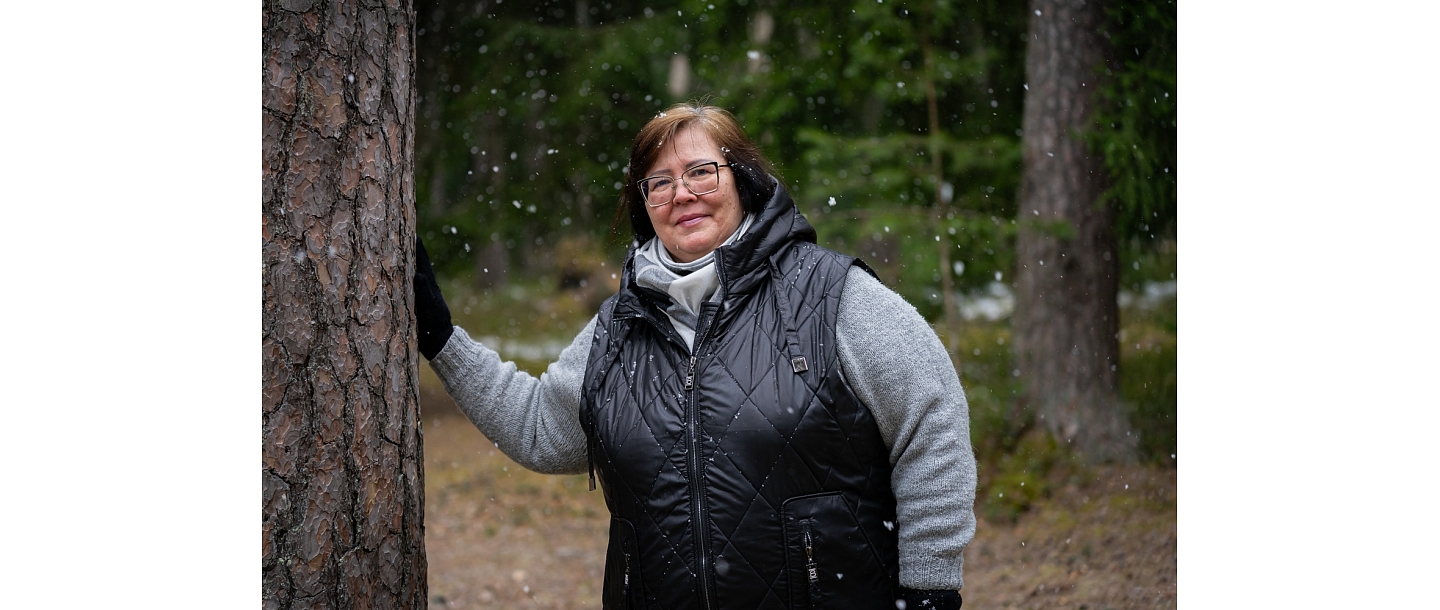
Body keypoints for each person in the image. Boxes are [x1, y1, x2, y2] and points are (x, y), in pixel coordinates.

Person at [413, 103, 976, 610]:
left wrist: (930, 589)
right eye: (657, 183)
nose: (680, 194)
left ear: (744, 181)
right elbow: (539, 428)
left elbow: (932, 420)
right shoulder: (619, 325)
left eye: (701, 172)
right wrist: (441, 338)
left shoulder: (833, 294)